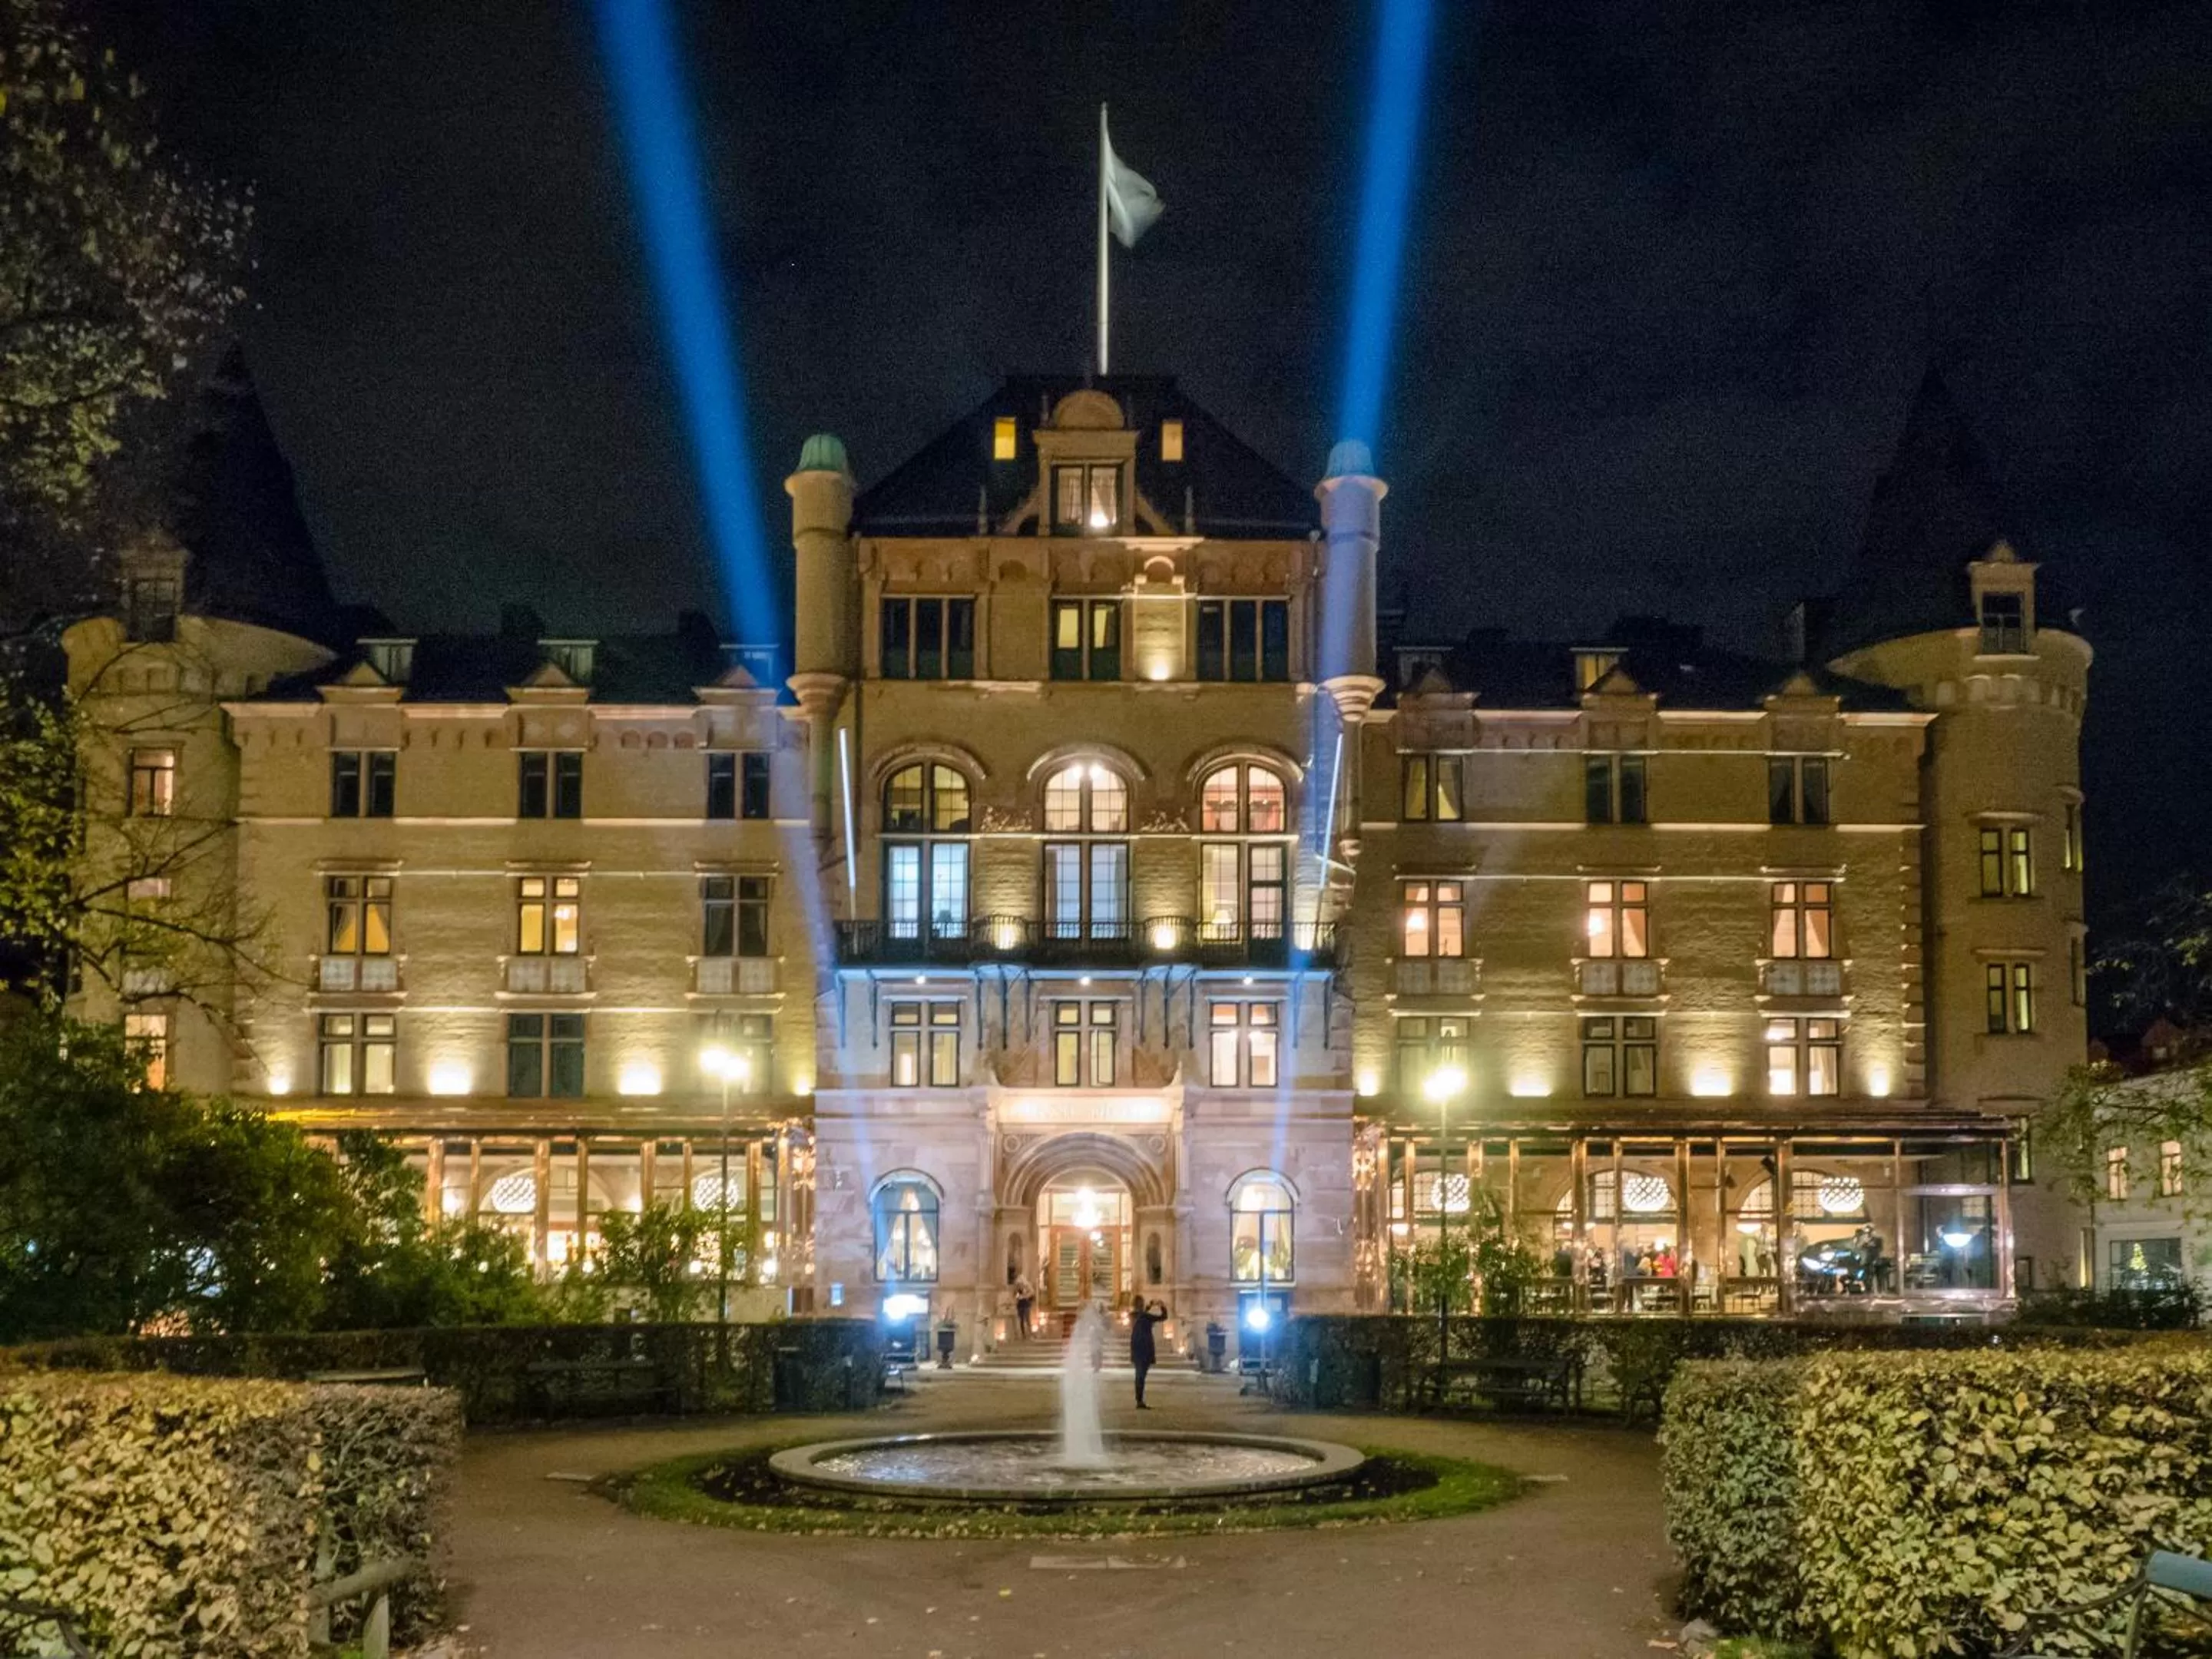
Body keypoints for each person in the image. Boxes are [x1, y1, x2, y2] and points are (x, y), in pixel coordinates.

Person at [1128, 1297, 1168, 1408]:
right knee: (1141, 1375)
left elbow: (1142, 1313)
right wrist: (1162, 1306)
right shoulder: (1145, 1316)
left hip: (1136, 1347)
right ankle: (1139, 1400)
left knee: (1139, 1374)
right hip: (1145, 1347)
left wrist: (1149, 1306)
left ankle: (1139, 1399)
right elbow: (1163, 1317)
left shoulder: (1133, 1316)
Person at [1012, 1273, 1034, 1339]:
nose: (1020, 1285)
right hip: (1020, 1305)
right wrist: (1017, 1297)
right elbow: (1014, 1295)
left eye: (1021, 1284)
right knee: (1021, 1320)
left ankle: (1030, 1333)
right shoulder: (1017, 1288)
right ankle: (1023, 1334)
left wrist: (1024, 1296)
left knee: (1027, 1319)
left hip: (1026, 1304)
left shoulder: (1027, 1286)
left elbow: (1032, 1293)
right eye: (1019, 1284)